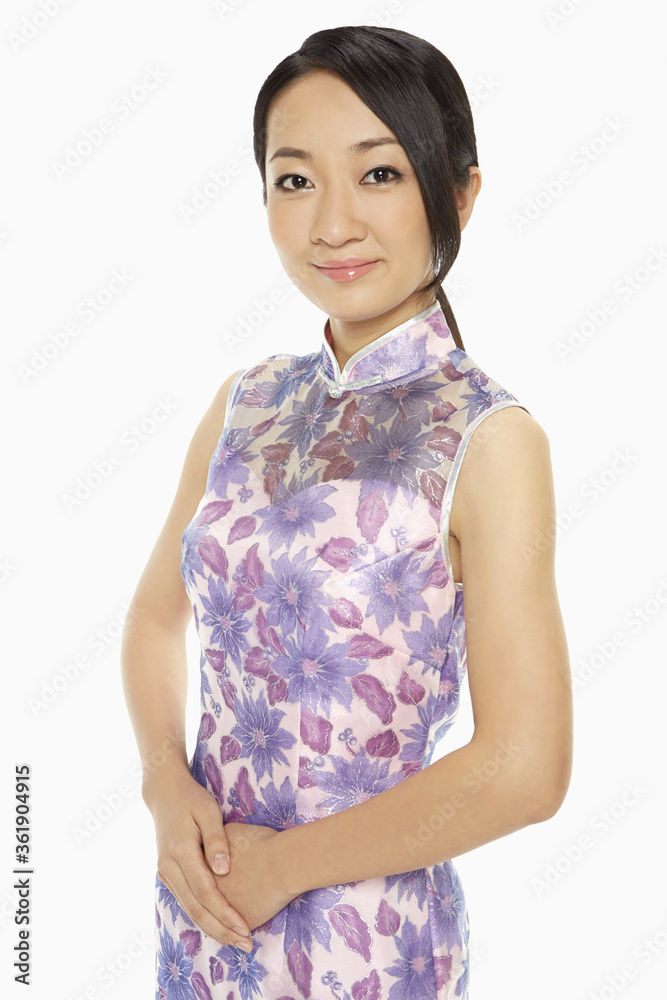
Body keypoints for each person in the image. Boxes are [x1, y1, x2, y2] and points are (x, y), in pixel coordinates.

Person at [121, 24, 573, 1000]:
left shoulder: (488, 439)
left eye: (378, 174)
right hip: (200, 927)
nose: (331, 223)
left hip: (365, 950)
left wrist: (283, 868)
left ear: (459, 193)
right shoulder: (246, 402)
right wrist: (164, 785)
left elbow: (525, 766)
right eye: (294, 179)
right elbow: (157, 616)